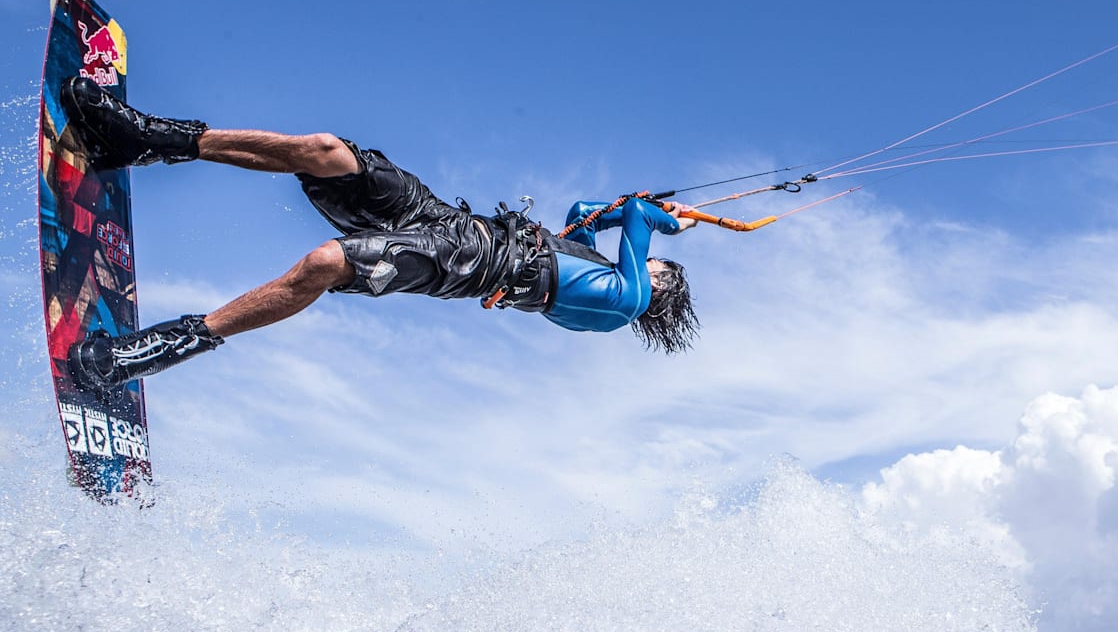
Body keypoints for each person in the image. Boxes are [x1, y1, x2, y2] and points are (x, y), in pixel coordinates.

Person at [60, 76, 700, 395]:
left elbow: (639, 220)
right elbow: (593, 209)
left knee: (321, 264)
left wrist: (655, 217)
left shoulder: (624, 303)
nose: (656, 263)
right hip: (452, 220)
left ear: (662, 288)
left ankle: (157, 350)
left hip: (464, 262)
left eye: (662, 267)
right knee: (325, 150)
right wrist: (618, 211)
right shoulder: (600, 273)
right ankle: (144, 139)